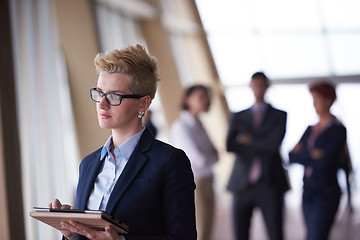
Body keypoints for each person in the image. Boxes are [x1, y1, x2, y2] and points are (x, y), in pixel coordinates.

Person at [48, 45, 197, 240]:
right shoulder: (88, 164)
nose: (102, 103)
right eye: (100, 93)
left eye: (114, 96)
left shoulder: (170, 162)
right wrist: (71, 234)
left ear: (143, 103)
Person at [226, 72, 289, 240]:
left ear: (267, 87)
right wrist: (263, 141)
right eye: (255, 85)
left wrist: (248, 140)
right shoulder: (238, 116)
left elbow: (274, 144)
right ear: (250, 87)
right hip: (242, 183)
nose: (258, 89)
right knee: (240, 234)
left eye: (262, 85)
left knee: (275, 233)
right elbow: (230, 145)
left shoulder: (280, 115)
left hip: (270, 181)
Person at [289, 81, 347, 240]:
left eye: (317, 99)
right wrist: (312, 154)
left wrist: (304, 155)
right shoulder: (310, 129)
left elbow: (326, 161)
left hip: (326, 192)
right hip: (308, 190)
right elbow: (291, 156)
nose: (314, 103)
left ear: (329, 100)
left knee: (317, 236)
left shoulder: (338, 129)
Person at [170, 85, 218, 240]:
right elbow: (199, 159)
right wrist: (211, 154)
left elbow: (216, 155)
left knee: (209, 226)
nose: (205, 100)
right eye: (201, 96)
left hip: (208, 178)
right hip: (195, 182)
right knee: (200, 228)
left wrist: (211, 155)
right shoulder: (181, 127)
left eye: (206, 96)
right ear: (187, 99)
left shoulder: (199, 123)